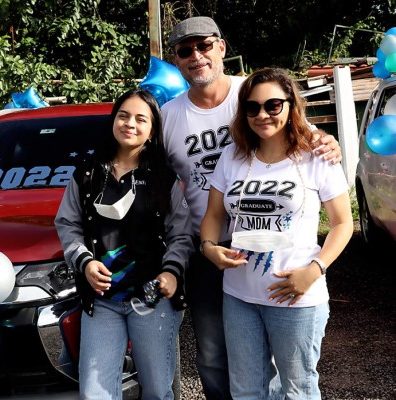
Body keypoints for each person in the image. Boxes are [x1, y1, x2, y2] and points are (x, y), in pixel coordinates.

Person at [161, 16, 343, 399]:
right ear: (176, 60)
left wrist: (328, 142)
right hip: (212, 251)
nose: (197, 56)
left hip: (277, 249)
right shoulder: (169, 117)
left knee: (287, 371)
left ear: (221, 47)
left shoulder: (255, 91)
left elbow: (302, 130)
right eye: (185, 50)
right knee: (213, 353)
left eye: (204, 45)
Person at [200, 67, 353, 399]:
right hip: (239, 296)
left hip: (296, 297)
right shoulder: (233, 154)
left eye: (273, 105)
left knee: (297, 389)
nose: (262, 115)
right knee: (246, 390)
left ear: (290, 104)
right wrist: (209, 246)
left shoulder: (317, 155)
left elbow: (343, 223)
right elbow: (213, 214)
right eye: (252, 107)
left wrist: (314, 271)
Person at [55, 88, 193, 399]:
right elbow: (68, 224)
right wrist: (85, 262)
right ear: (113, 121)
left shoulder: (164, 179)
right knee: (95, 393)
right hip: (102, 301)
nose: (130, 123)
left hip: (151, 298)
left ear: (152, 130)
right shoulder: (87, 176)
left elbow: (181, 234)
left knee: (157, 389)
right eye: (123, 115)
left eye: (141, 119)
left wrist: (171, 272)